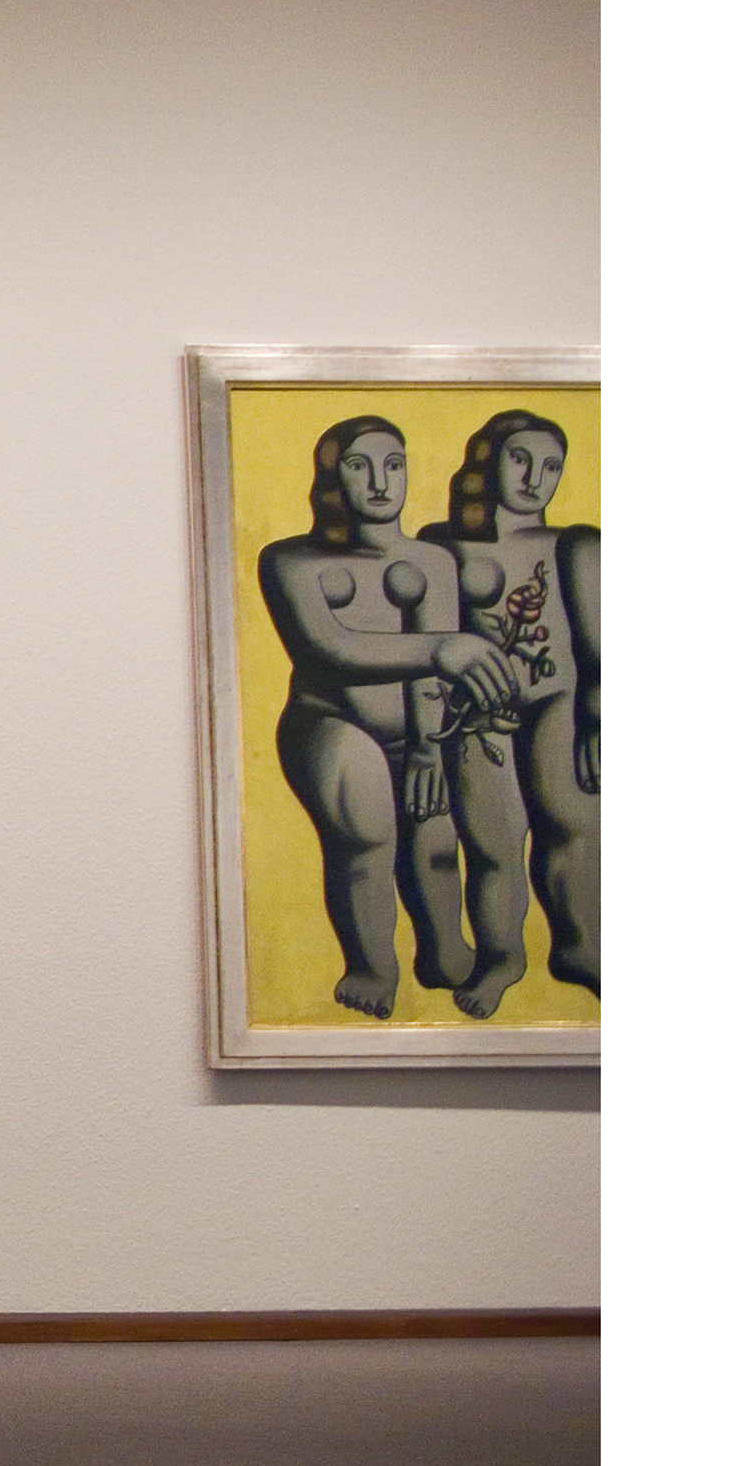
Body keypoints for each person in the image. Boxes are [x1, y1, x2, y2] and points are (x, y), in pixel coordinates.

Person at [253, 416, 521, 1017]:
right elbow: (327, 649)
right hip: (330, 724)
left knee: (436, 841)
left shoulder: (430, 560)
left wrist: (427, 749)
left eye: (393, 465)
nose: (380, 482)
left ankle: (443, 950)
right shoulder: (289, 560)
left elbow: (434, 676)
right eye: (360, 465)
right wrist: (440, 647)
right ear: (330, 477)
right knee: (367, 834)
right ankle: (372, 967)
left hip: (419, 730)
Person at [420, 409, 598, 1008]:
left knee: (575, 831)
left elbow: (602, 642)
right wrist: (427, 735)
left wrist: (599, 715)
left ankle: (583, 948)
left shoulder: (575, 543)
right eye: (520, 459)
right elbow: (426, 639)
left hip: (560, 704)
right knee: (492, 847)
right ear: (489, 462)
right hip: (477, 715)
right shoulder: (440, 545)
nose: (534, 478)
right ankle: (501, 960)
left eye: (551, 466)